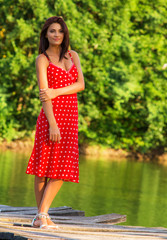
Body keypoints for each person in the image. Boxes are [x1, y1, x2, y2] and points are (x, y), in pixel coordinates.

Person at [25, 16, 85, 229]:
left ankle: (41, 214)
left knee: (63, 168)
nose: (56, 34)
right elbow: (44, 95)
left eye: (60, 30)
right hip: (51, 118)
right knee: (43, 168)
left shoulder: (73, 55)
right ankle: (42, 215)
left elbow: (80, 84)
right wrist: (52, 123)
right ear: (46, 35)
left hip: (70, 118)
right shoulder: (42, 59)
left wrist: (56, 90)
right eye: (52, 31)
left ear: (64, 33)